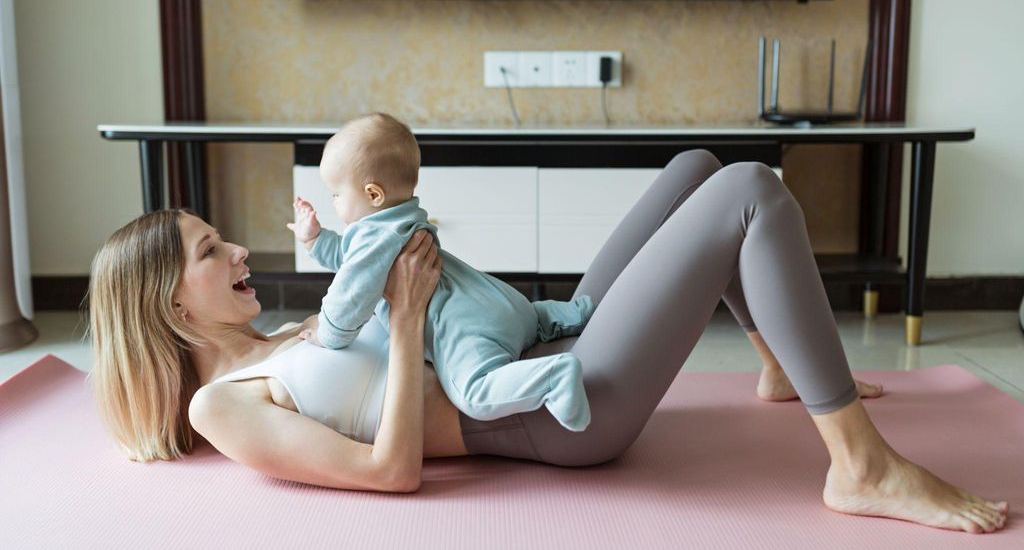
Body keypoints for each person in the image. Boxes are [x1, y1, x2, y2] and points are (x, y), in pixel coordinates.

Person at [86, 150, 1008, 533]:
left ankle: (779, 361)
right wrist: (406, 325)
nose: (238, 248)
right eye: (212, 251)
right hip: (557, 419)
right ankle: (861, 465)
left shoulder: (281, 336)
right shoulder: (222, 405)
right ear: (166, 305)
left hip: (547, 350)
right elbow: (389, 471)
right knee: (749, 192)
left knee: (696, 170)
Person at [285, 112, 595, 430]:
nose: (334, 203)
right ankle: (573, 314)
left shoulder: (374, 238)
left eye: (336, 194)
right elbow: (354, 260)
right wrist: (315, 240)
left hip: (467, 330)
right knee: (532, 317)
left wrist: (328, 334)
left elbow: (348, 296)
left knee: (474, 395)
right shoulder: (400, 221)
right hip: (506, 304)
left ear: (373, 195)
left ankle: (554, 378)